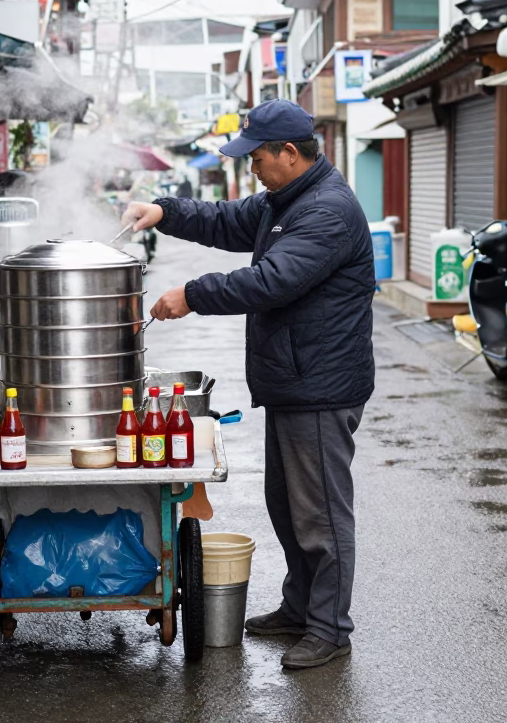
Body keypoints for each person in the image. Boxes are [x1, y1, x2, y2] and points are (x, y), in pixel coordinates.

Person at [123, 99, 375, 669]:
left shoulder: (328, 210)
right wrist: (162, 210)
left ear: (289, 153)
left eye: (257, 157)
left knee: (321, 516)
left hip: (321, 385)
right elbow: (224, 220)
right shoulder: (283, 200)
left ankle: (330, 628)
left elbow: (273, 281)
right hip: (293, 380)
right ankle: (299, 609)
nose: (252, 168)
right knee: (287, 507)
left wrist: (192, 295)